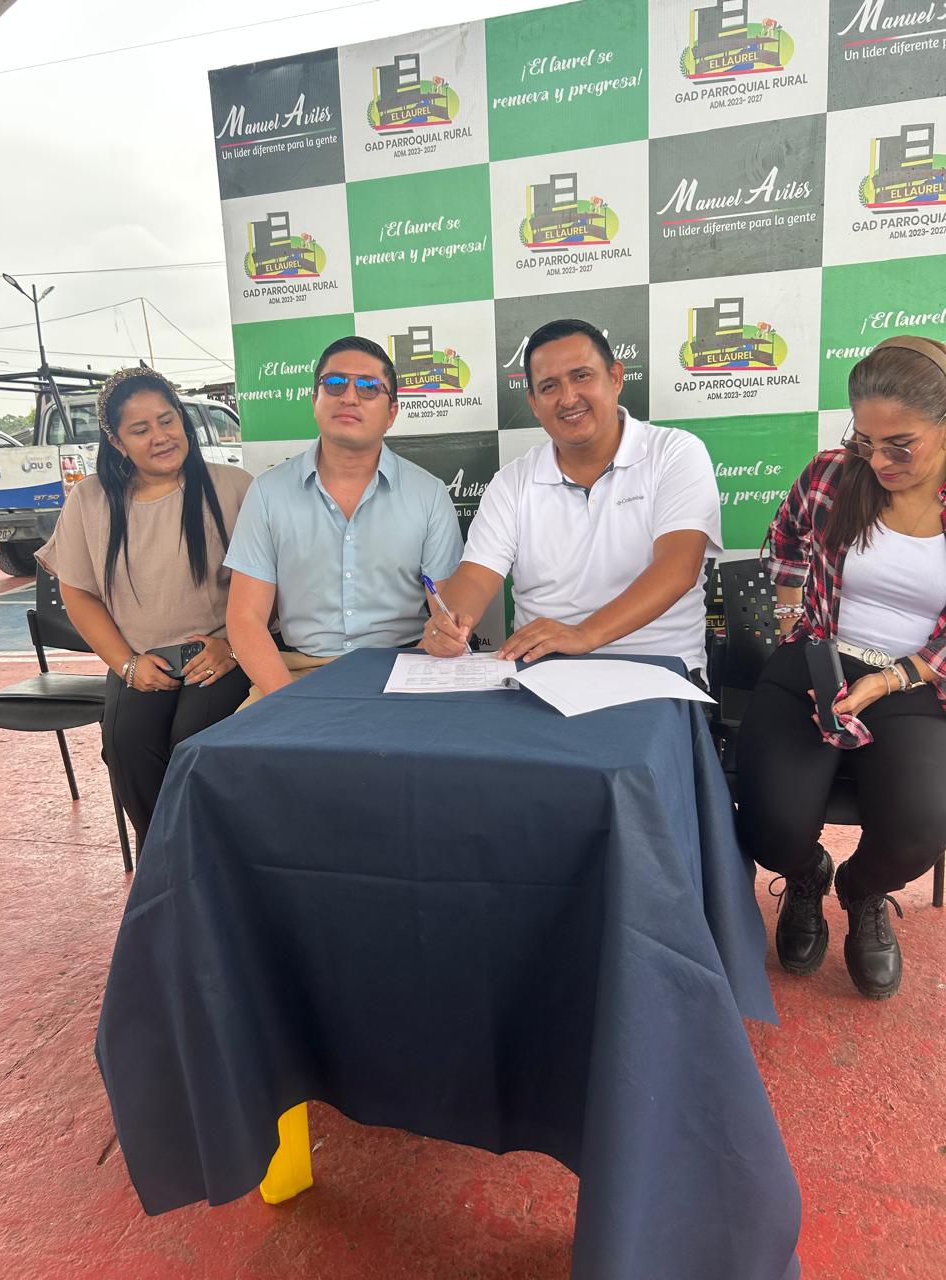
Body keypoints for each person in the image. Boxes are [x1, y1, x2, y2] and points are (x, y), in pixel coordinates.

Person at [736, 335, 946, 1000]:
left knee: (919, 833)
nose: (878, 461)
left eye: (900, 445)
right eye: (865, 441)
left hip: (918, 677)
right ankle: (807, 875)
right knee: (768, 822)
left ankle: (862, 891)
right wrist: (791, 623)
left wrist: (888, 679)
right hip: (820, 653)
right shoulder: (834, 472)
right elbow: (785, 541)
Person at [421, 318, 722, 681]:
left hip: (657, 670)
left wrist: (584, 635)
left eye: (581, 376)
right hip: (542, 673)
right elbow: (475, 577)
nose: (567, 398)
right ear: (534, 403)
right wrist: (450, 621)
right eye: (549, 386)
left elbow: (679, 568)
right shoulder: (513, 481)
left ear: (615, 377)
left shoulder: (676, 453)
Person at [36, 367, 253, 849]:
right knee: (127, 748)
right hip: (140, 659)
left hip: (219, 653)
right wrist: (126, 664)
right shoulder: (90, 499)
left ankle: (209, 863)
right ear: (116, 441)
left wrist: (234, 647)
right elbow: (79, 594)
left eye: (167, 420)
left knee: (192, 742)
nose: (161, 436)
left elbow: (267, 585)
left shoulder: (234, 487)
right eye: (141, 429)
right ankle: (165, 865)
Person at [225, 336, 463, 700]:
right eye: (335, 383)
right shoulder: (268, 492)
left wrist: (440, 640)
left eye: (368, 387)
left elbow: (446, 613)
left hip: (404, 669)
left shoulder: (428, 494)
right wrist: (290, 703)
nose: (349, 397)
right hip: (299, 674)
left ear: (391, 413)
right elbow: (245, 619)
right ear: (314, 400)